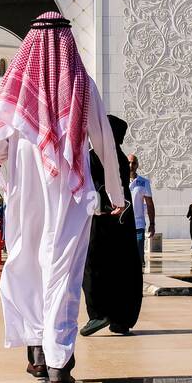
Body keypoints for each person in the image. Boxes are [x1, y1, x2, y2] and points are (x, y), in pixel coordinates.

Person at [0, 11, 123, 383]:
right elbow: (104, 143)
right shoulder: (81, 85)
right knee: (61, 270)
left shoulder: (15, 87)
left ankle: (37, 354)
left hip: (26, 191)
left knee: (26, 261)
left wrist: (10, 161)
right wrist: (116, 191)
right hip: (71, 192)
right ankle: (58, 361)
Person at [81, 115, 143, 338]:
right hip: (123, 221)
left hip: (102, 219)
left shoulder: (94, 157)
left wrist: (104, 204)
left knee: (94, 265)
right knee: (123, 267)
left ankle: (98, 313)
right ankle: (121, 319)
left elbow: (93, 186)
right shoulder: (119, 156)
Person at [128, 154, 155, 263]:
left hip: (138, 224)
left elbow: (149, 204)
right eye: (129, 163)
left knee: (139, 258)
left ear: (137, 165)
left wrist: (152, 224)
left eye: (133, 163)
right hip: (123, 224)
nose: (131, 165)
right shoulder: (119, 181)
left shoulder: (144, 182)